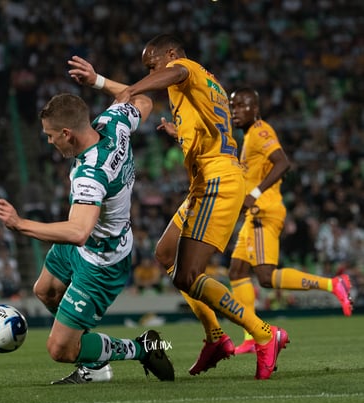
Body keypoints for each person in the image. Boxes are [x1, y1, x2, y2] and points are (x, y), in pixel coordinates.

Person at [68, 34, 289, 380]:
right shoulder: (196, 87)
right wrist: (99, 81)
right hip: (207, 180)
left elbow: (165, 78)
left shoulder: (185, 68)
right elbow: (168, 99)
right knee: (166, 254)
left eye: (152, 65)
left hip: (219, 180)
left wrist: (130, 90)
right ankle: (216, 337)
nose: (151, 71)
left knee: (189, 274)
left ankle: (263, 333)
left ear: (170, 54)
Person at [0, 90, 175, 384]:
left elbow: (77, 232)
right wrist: (99, 81)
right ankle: (94, 361)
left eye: (51, 136)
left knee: (59, 349)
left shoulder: (91, 173)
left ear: (67, 133)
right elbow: (143, 100)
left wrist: (20, 224)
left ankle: (142, 348)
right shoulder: (113, 120)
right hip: (86, 244)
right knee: (45, 291)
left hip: (101, 258)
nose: (50, 142)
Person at [226, 87, 353, 354]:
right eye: (232, 106)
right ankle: (251, 335)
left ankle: (333, 284)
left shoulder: (261, 132)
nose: (235, 111)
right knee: (237, 271)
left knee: (265, 276)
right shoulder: (248, 136)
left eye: (241, 106)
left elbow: (283, 163)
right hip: (254, 213)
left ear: (255, 109)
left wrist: (255, 193)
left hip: (264, 211)